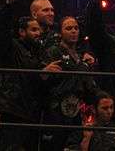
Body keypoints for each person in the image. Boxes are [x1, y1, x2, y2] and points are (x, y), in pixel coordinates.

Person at [0, 0, 45, 150]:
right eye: (34, 30)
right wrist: (8, 5)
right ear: (22, 32)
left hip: (31, 111)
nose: (38, 34)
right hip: (13, 111)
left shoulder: (39, 51)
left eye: (39, 30)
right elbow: (0, 30)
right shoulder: (12, 48)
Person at [41, 16, 97, 150]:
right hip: (56, 111)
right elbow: (45, 80)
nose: (73, 31)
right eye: (68, 28)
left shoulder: (82, 55)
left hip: (77, 111)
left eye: (76, 28)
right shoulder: (53, 52)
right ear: (60, 33)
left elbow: (88, 85)